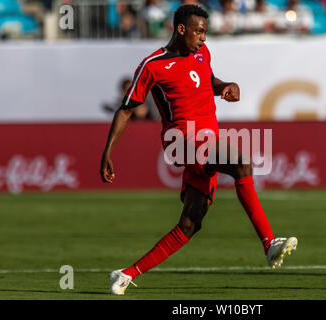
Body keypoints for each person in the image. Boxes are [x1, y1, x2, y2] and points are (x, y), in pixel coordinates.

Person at [100, 4, 298, 295]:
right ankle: (269, 243)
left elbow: (207, 81)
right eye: (199, 32)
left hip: (206, 140)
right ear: (181, 29)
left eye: (205, 32)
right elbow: (127, 109)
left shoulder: (201, 53)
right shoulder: (153, 65)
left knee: (191, 223)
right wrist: (107, 152)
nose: (204, 38)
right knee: (241, 164)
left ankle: (126, 274)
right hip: (181, 141)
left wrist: (225, 86)